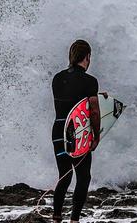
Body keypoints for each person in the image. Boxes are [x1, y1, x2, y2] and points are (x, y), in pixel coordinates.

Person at [50, 39, 101, 223]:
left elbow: (68, 102)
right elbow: (93, 111)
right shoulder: (90, 81)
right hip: (77, 133)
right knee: (83, 176)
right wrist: (96, 135)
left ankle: (56, 217)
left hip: (58, 131)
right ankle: (74, 220)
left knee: (64, 175)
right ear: (87, 56)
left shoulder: (57, 78)